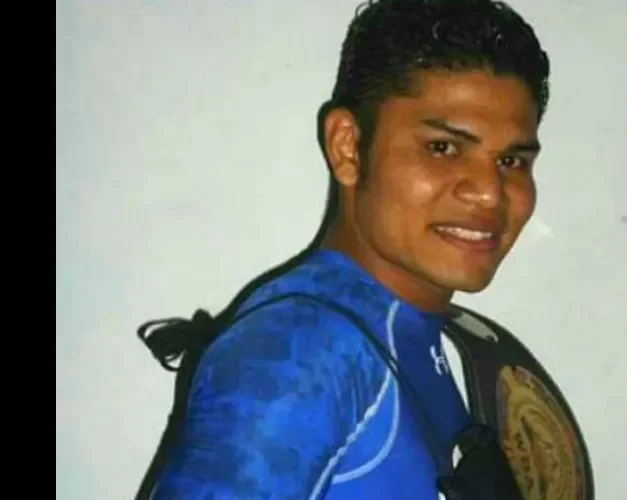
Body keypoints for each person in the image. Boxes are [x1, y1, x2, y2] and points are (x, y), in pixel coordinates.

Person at [141, 0, 552, 498]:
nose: (489, 193)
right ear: (348, 147)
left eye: (511, 161)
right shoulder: (296, 354)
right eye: (442, 148)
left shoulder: (415, 337)